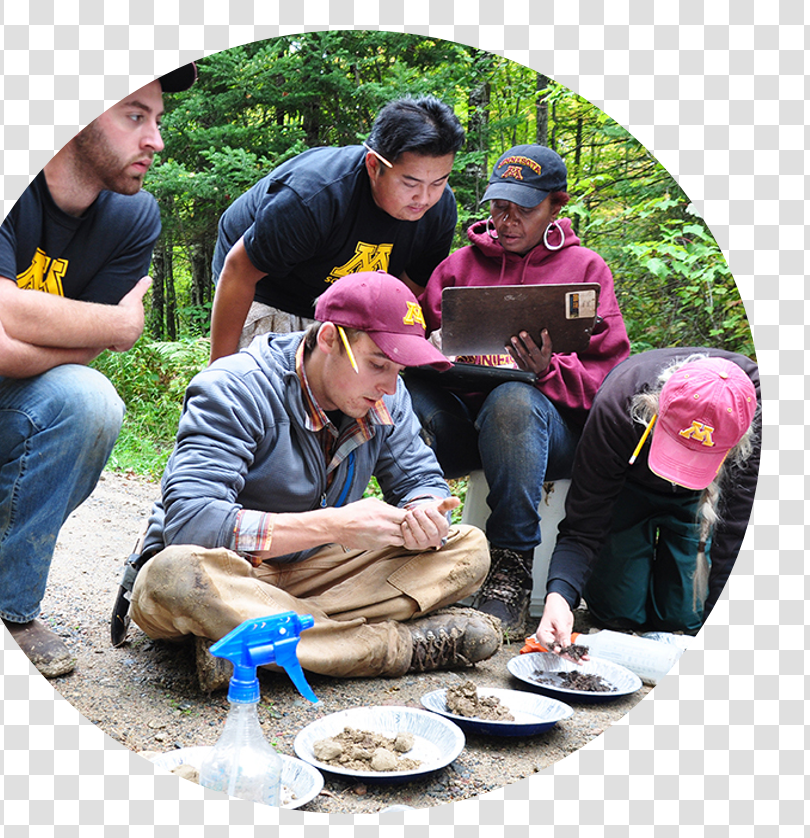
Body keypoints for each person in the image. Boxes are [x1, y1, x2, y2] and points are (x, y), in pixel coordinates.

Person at [110, 272, 501, 690]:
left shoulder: (387, 395)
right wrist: (335, 525)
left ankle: (249, 637)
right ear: (330, 338)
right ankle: (394, 648)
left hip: (311, 572)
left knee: (468, 549)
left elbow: (421, 478)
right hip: (228, 568)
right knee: (173, 577)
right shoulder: (234, 387)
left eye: (399, 369)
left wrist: (425, 511)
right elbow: (192, 524)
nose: (389, 386)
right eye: (378, 364)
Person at [0, 63, 199, 678]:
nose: (156, 140)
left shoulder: (133, 217)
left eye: (157, 119)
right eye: (134, 116)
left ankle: (2, 607)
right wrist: (110, 325)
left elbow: (55, 340)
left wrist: (0, 345)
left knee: (89, 399)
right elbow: (21, 309)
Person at [405, 144, 630, 634]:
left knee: (513, 399)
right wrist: (431, 349)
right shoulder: (458, 268)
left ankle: (511, 564)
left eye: (522, 210)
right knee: (401, 396)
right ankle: (418, 535)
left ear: (556, 205)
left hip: (552, 435)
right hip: (468, 422)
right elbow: (411, 345)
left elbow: (609, 382)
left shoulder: (586, 271)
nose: (506, 221)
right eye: (498, 207)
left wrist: (548, 371)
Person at [207, 95, 465, 363]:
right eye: (410, 184)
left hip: (342, 296)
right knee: (264, 387)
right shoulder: (312, 198)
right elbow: (238, 272)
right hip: (265, 282)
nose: (424, 198)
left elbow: (405, 290)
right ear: (373, 165)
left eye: (438, 182)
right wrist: (217, 371)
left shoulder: (440, 209)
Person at [535, 349, 761, 651]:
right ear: (653, 409)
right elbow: (583, 525)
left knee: (685, 619)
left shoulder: (756, 423)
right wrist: (559, 597)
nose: (676, 476)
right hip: (631, 485)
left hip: (701, 500)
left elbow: (735, 537)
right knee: (617, 612)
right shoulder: (619, 404)